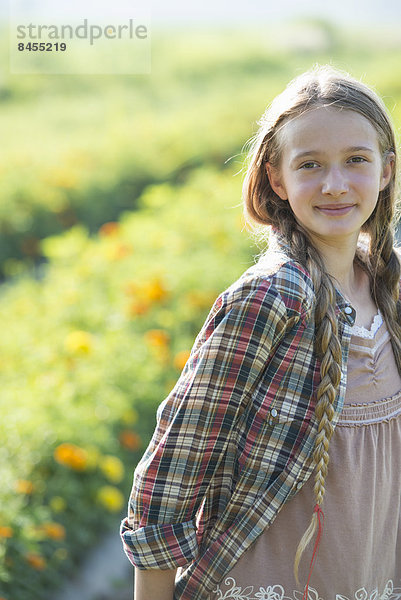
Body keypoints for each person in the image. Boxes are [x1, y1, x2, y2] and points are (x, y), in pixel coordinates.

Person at [119, 64, 401, 600]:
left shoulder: (393, 289)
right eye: (310, 164)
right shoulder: (270, 300)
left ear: (386, 171)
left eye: (356, 161)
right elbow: (169, 480)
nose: (335, 184)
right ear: (278, 178)